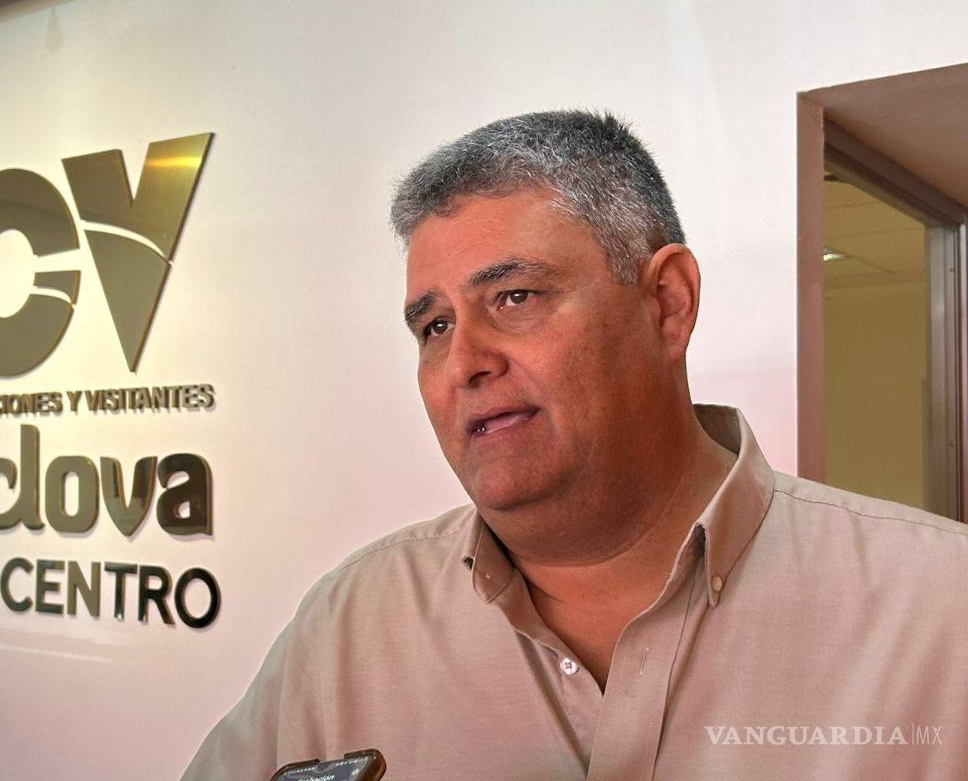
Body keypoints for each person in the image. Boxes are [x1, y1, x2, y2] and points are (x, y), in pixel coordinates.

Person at [182, 111, 968, 780]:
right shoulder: (351, 622)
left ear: (668, 304)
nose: (462, 362)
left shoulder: (941, 611)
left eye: (514, 297)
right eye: (435, 326)